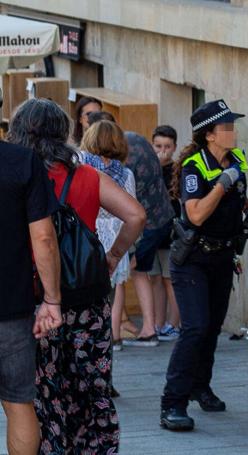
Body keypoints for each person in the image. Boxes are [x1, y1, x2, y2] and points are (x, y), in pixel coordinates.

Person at [7, 98, 146, 453]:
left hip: (39, 300)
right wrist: (113, 255)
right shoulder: (86, 175)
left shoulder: (20, 174)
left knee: (45, 390)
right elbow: (136, 216)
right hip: (87, 297)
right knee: (90, 386)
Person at [160, 99, 248, 431]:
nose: (233, 131)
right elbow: (196, 213)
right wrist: (222, 185)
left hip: (222, 257)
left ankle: (201, 386)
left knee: (212, 327)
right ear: (210, 135)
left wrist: (247, 209)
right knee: (195, 327)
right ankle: (172, 402)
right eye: (226, 127)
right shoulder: (193, 165)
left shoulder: (236, 160)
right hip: (193, 260)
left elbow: (238, 192)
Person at [0, 103, 62, 454]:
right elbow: (43, 237)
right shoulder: (23, 161)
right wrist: (52, 299)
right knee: (18, 403)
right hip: (11, 307)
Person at [80, 120, 137, 352]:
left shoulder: (82, 165)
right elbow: (132, 210)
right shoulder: (125, 173)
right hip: (118, 234)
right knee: (115, 289)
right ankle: (112, 335)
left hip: (91, 230)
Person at [124, 132, 176, 347]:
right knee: (146, 274)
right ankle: (154, 326)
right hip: (160, 221)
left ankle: (153, 328)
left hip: (148, 225)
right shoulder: (136, 140)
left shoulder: (127, 154)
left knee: (141, 271)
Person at [150, 125, 181, 341]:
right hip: (152, 232)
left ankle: (174, 324)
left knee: (170, 280)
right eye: (159, 146)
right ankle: (158, 323)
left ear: (174, 147)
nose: (163, 151)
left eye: (167, 146)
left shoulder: (177, 170)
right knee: (155, 279)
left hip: (170, 232)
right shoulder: (149, 168)